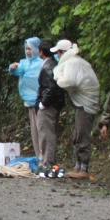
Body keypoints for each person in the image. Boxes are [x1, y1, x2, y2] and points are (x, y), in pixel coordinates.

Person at [50, 39, 100, 180]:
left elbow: (69, 82)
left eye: (58, 53)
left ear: (63, 52)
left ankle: (83, 168)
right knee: (78, 134)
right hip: (82, 104)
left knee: (81, 135)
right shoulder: (76, 62)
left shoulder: (73, 63)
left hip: (86, 105)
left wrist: (59, 78)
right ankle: (78, 166)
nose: (57, 56)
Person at [9, 38, 45, 156]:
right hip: (30, 102)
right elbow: (16, 71)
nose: (28, 51)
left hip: (42, 102)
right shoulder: (25, 63)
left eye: (30, 48)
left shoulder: (43, 62)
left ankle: (44, 156)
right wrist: (12, 67)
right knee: (34, 131)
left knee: (42, 130)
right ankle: (38, 155)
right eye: (26, 49)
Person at [35, 45, 66, 175]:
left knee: (46, 133)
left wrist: (43, 103)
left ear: (41, 52)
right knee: (46, 133)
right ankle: (47, 161)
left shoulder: (49, 67)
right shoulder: (53, 64)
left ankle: (48, 163)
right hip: (53, 104)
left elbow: (51, 88)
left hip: (49, 106)